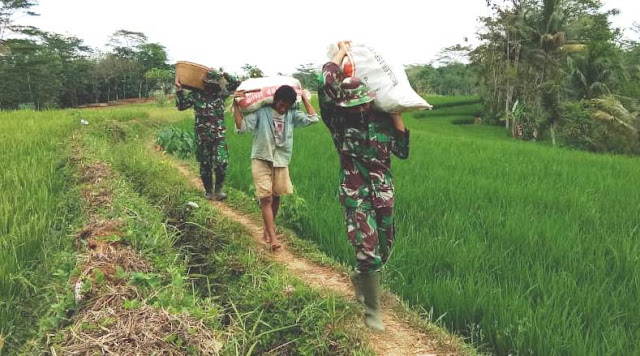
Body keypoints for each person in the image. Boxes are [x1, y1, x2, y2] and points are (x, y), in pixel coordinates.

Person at [318, 41, 410, 332]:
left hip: (383, 193)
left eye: (364, 103)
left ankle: (360, 276)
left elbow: (403, 152)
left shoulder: (383, 119)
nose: (360, 108)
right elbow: (326, 80)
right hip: (355, 193)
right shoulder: (338, 121)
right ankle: (372, 311)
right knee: (367, 251)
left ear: (371, 99)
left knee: (385, 248)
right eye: (353, 104)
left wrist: (396, 114)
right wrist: (342, 51)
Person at [234, 85, 318, 250]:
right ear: (275, 100)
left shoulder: (292, 114)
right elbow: (242, 127)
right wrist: (236, 105)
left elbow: (313, 118)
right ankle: (273, 238)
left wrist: (304, 98)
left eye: (287, 105)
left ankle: (267, 229)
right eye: (282, 103)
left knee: (277, 195)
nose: (283, 107)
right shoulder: (261, 112)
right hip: (261, 158)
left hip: (281, 160)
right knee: (266, 198)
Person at [175, 69, 240, 200]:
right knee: (205, 164)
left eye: (214, 83)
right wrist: (179, 90)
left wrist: (225, 74)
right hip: (202, 136)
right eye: (209, 83)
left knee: (222, 162)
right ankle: (208, 191)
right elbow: (181, 106)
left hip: (218, 136)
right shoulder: (196, 95)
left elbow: (237, 83)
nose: (211, 85)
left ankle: (218, 189)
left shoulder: (221, 94)